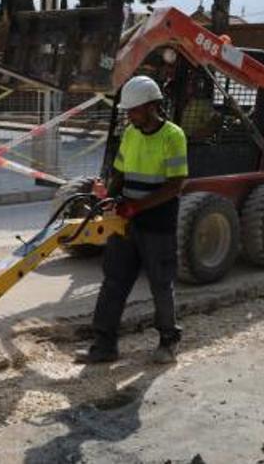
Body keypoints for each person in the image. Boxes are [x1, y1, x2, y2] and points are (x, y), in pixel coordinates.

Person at [76, 75, 188, 364]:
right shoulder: (130, 133)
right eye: (128, 110)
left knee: (161, 285)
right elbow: (121, 174)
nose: (129, 115)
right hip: (126, 222)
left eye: (134, 110)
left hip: (158, 225)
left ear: (152, 106)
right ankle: (104, 345)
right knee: (114, 282)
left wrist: (137, 207)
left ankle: (167, 341)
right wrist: (108, 200)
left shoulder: (173, 136)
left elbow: (175, 185)